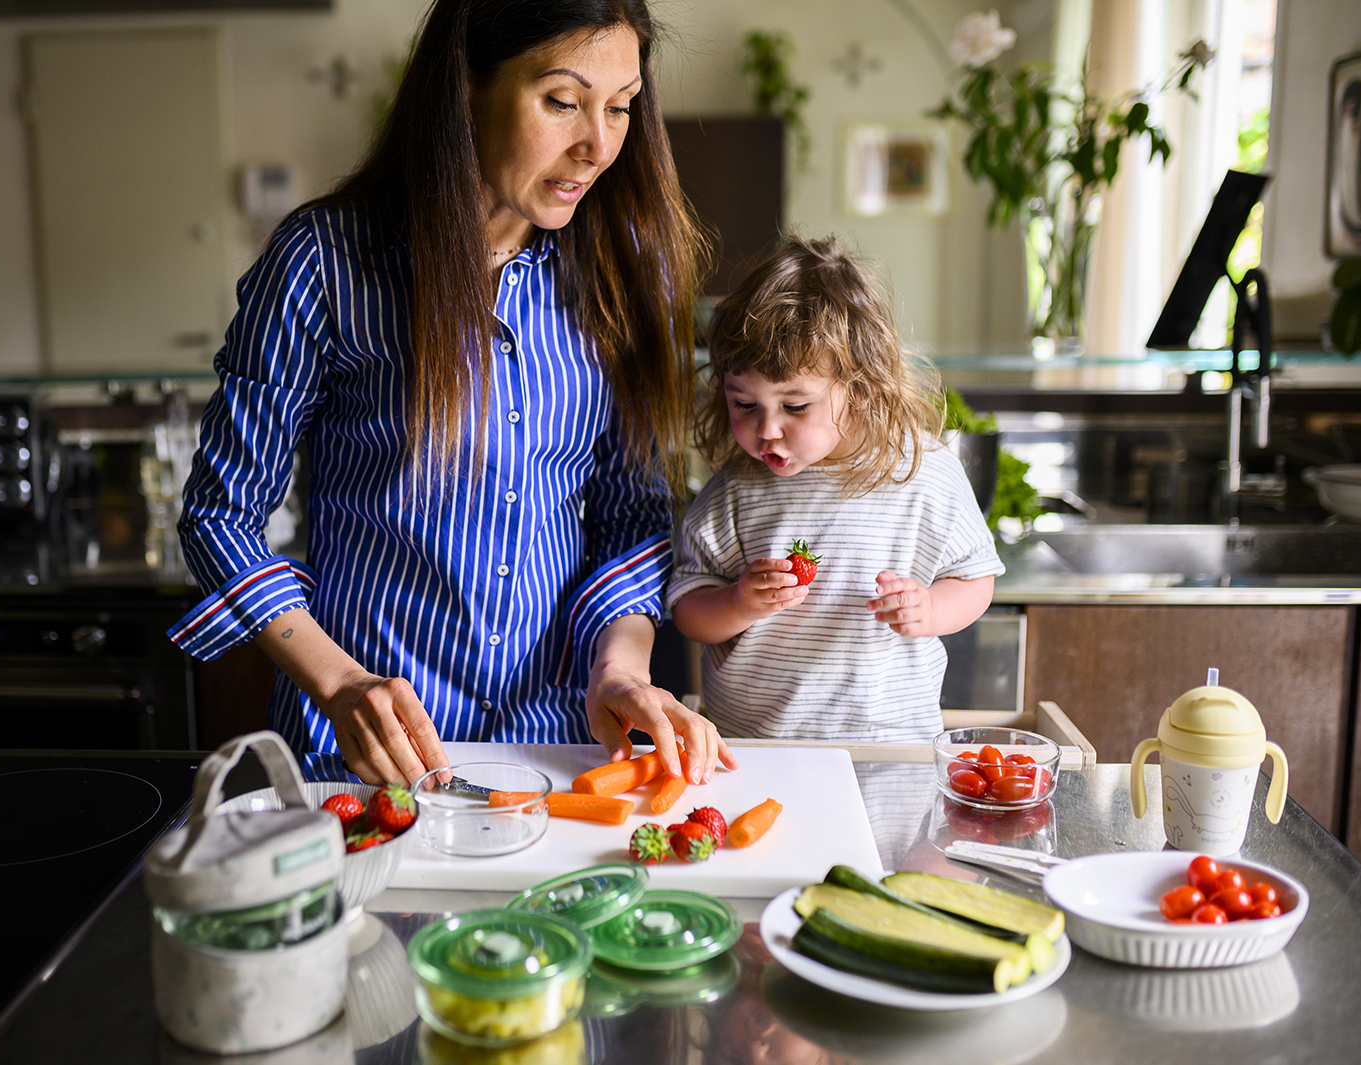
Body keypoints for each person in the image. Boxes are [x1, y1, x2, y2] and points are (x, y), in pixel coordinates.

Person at [168, 0, 736, 787]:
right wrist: (339, 685)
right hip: (368, 757)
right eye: (563, 102)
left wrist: (620, 672)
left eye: (621, 107)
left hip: (554, 756)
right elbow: (218, 516)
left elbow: (629, 520)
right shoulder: (325, 262)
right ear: (465, 85)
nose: (598, 145)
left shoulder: (624, 268)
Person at [668, 235, 1003, 743]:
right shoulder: (736, 489)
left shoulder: (923, 472)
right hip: (755, 745)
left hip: (890, 746)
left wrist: (932, 608)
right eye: (744, 404)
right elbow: (689, 609)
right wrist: (738, 602)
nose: (767, 430)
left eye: (795, 406)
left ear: (862, 387)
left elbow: (976, 580)